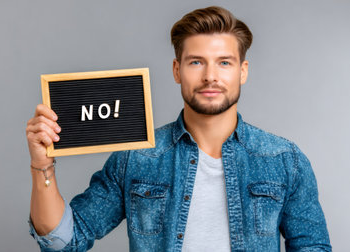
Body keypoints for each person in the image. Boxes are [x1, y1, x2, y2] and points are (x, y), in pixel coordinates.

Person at [26, 6, 331, 252]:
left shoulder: (283, 159)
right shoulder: (136, 157)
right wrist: (42, 166)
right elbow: (65, 241)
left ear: (243, 71)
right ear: (177, 70)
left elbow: (313, 247)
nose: (210, 76)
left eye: (224, 62)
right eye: (196, 62)